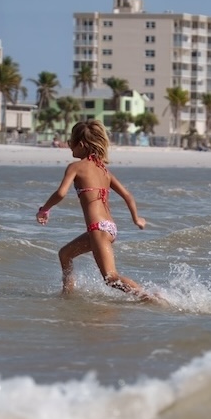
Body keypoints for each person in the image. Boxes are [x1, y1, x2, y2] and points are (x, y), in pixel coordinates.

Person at [35, 119, 158, 302]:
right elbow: (128, 195)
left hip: (98, 229)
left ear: (82, 145)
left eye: (71, 143)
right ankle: (67, 295)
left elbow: (61, 193)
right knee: (65, 254)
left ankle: (149, 298)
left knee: (111, 278)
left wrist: (44, 210)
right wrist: (136, 218)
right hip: (108, 228)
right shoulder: (104, 170)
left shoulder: (75, 167)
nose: (70, 148)